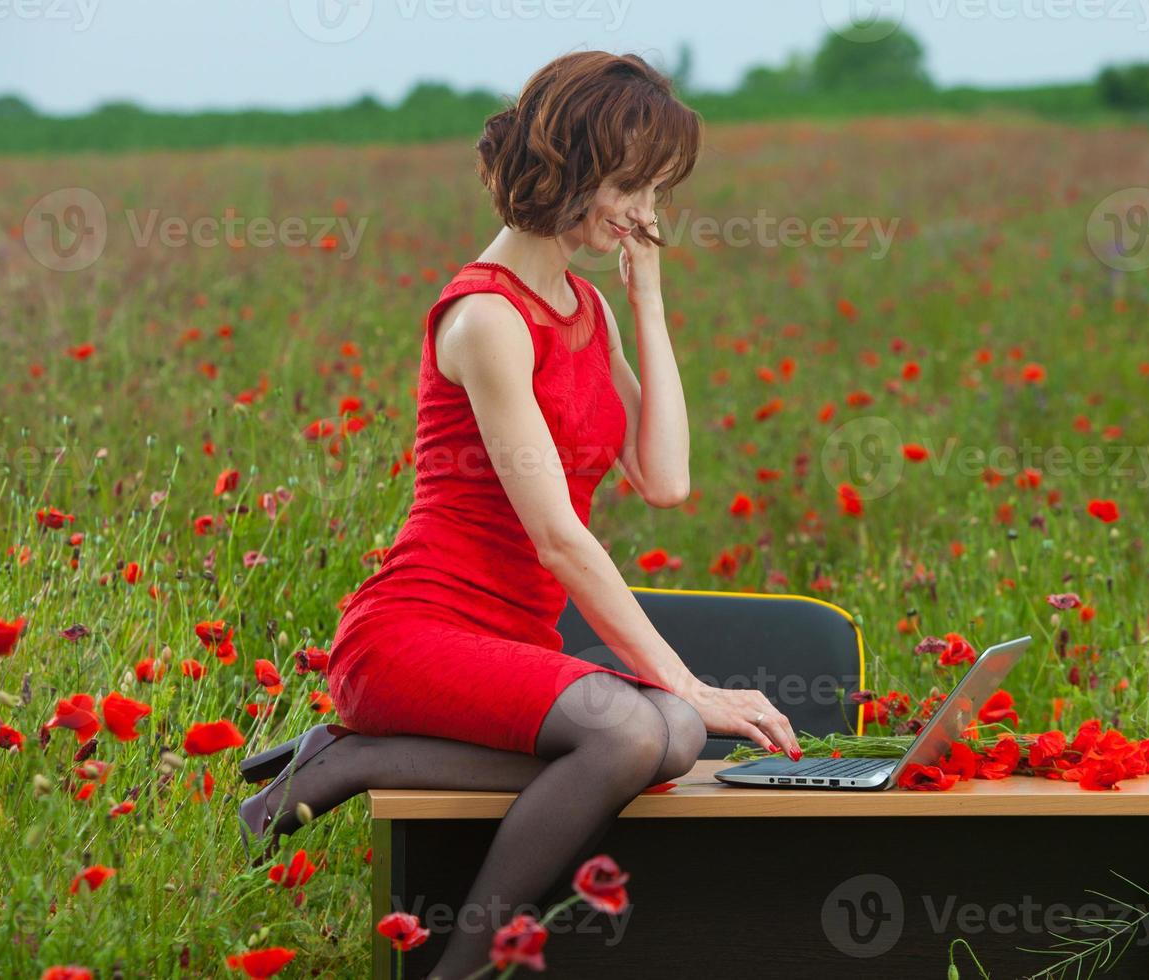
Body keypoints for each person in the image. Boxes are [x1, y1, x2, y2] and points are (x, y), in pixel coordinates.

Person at [238, 50, 802, 978]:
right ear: (572, 168)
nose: (646, 216)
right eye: (632, 187)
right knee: (638, 728)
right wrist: (687, 679)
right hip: (416, 631)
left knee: (677, 738)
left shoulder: (585, 306)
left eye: (657, 194)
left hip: (513, 639)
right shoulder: (486, 319)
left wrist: (648, 304)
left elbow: (664, 480)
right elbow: (557, 536)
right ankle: (459, 965)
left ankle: (352, 758)